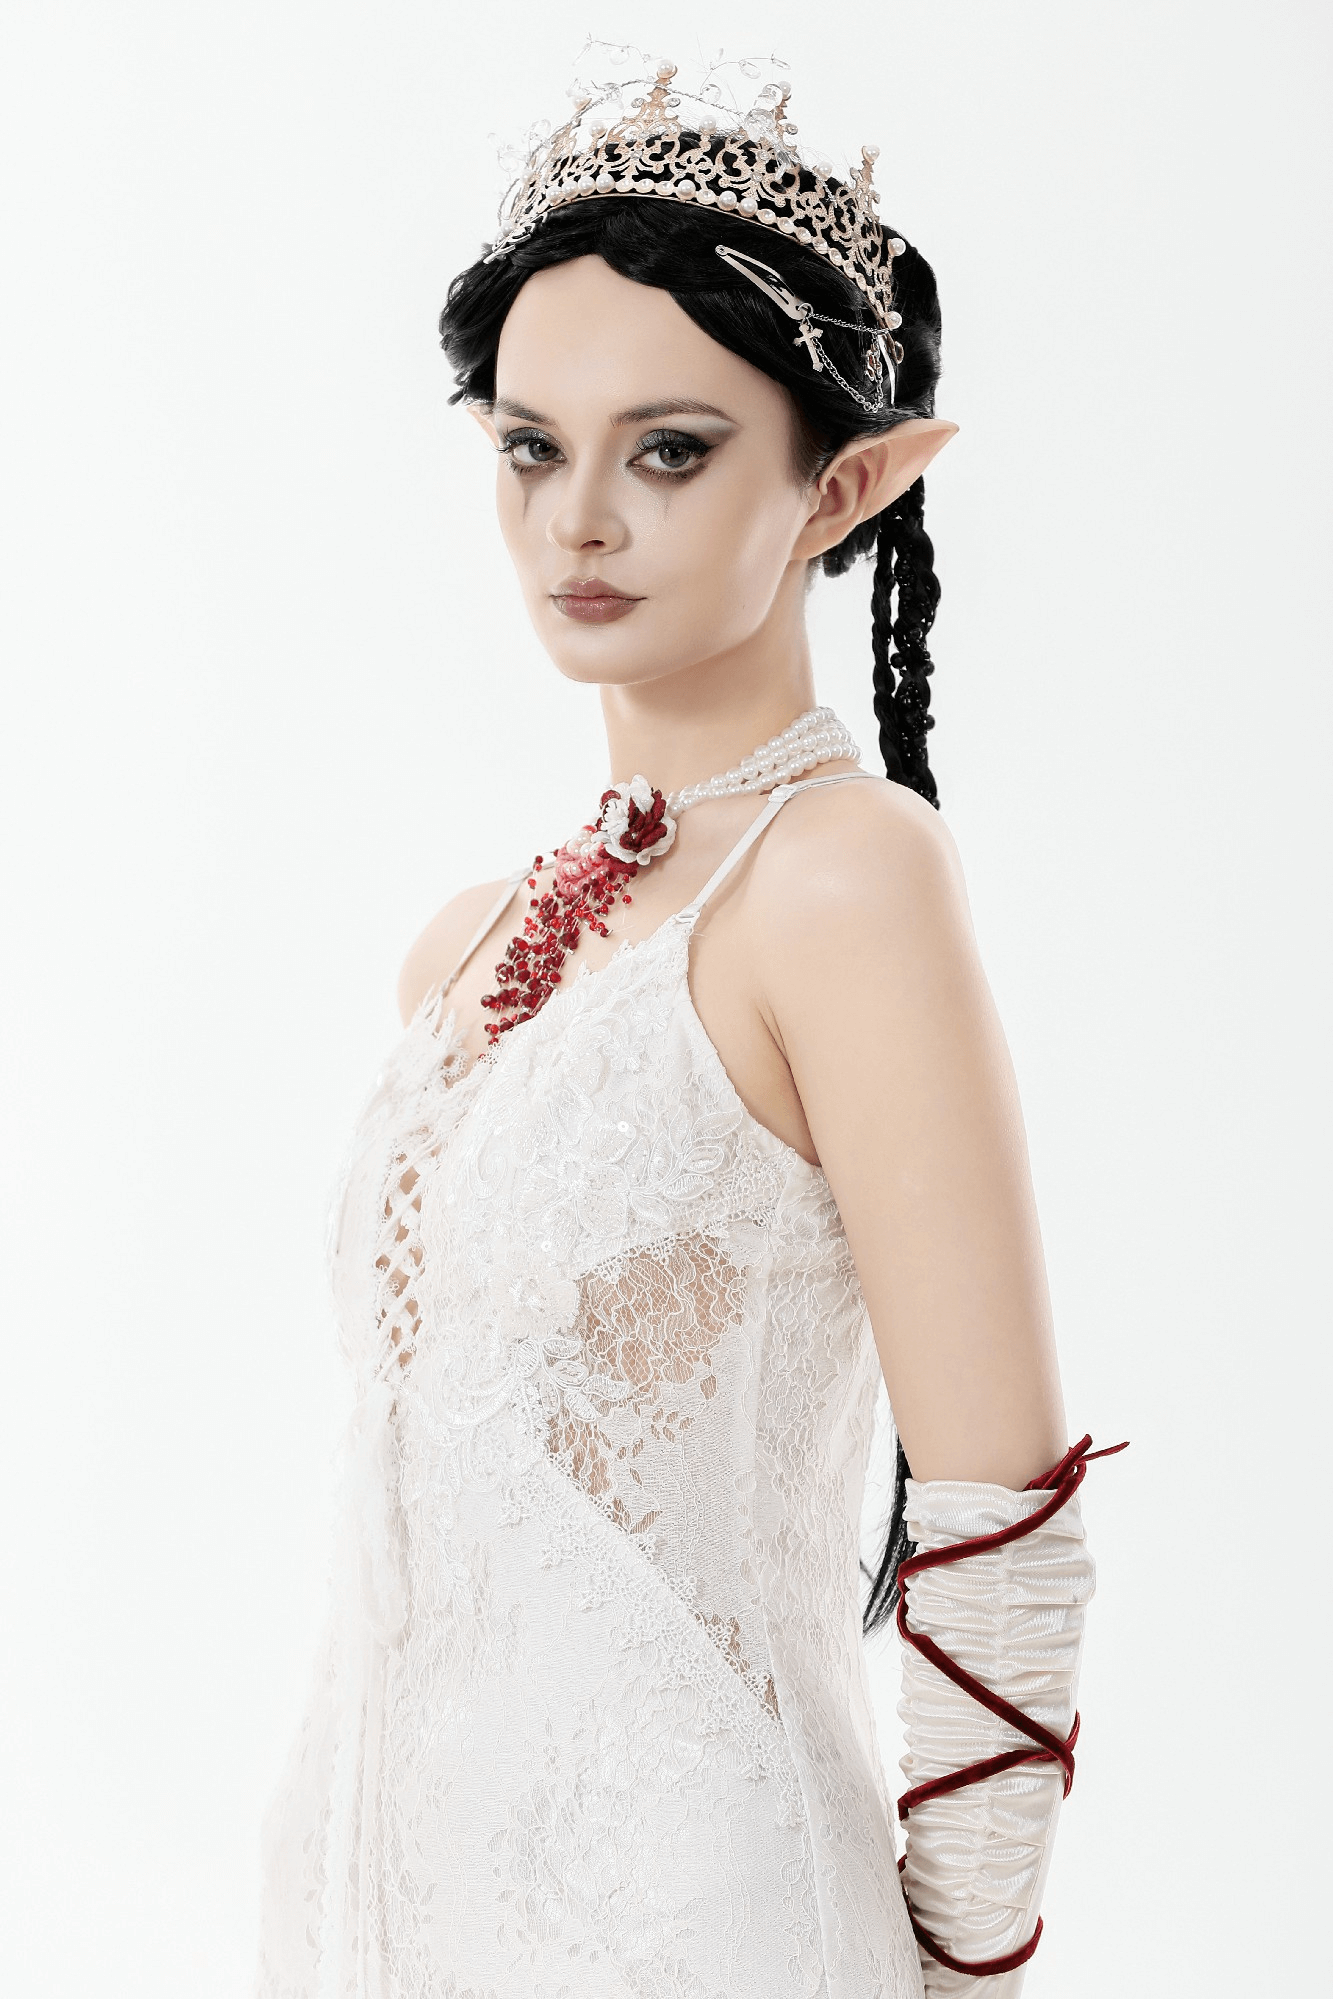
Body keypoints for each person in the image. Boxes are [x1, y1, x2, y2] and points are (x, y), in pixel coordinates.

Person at [255, 50, 1121, 1999]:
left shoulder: (841, 881)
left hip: (700, 1932)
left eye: (668, 451)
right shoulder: (465, 952)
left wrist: (970, 1976)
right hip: (361, 1924)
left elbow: (999, 1524)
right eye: (529, 447)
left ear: (846, 482)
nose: (578, 519)